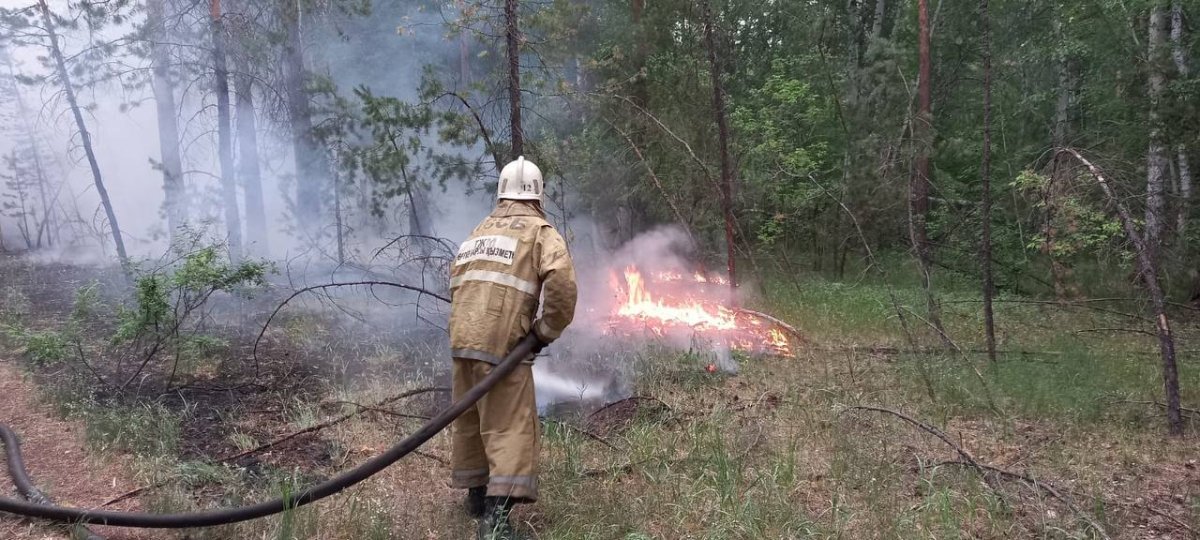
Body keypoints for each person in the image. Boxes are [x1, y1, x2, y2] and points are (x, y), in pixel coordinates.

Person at [448, 156, 578, 539]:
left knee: (472, 419)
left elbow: (456, 280)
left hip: (463, 339)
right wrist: (543, 332)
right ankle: (495, 521)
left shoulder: (479, 231)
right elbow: (563, 284)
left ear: (501, 191)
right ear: (538, 194)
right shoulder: (540, 233)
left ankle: (475, 498)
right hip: (503, 345)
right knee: (509, 427)